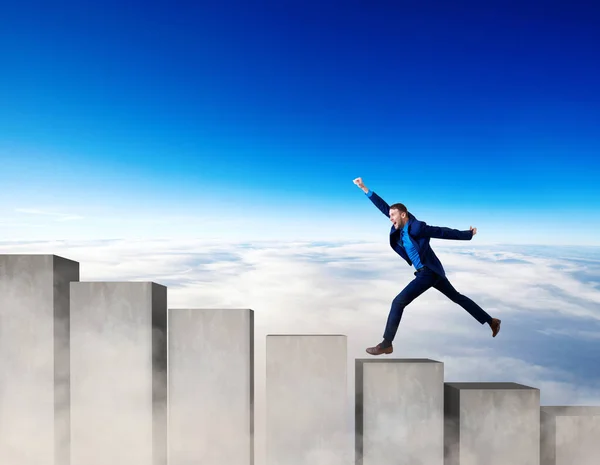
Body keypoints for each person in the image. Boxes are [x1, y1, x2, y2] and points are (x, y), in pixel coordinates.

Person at [353, 177, 501, 355]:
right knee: (457, 297)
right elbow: (384, 207)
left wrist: (468, 234)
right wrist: (364, 188)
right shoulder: (399, 225)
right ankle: (491, 321)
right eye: (390, 215)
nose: (390, 218)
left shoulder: (417, 227)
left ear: (403, 215)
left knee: (398, 302)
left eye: (393, 215)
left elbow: (442, 232)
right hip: (433, 272)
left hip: (428, 272)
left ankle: (387, 343)